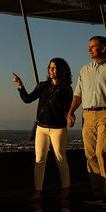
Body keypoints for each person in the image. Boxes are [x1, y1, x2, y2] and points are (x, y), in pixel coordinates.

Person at [66, 36, 106, 205]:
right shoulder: (84, 70)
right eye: (89, 46)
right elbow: (78, 94)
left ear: (103, 48)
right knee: (90, 154)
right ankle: (97, 193)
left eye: (92, 46)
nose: (89, 49)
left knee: (102, 151)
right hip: (88, 115)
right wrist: (71, 112)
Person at [13, 58, 73, 203]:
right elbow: (28, 99)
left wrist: (71, 116)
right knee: (39, 160)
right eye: (50, 68)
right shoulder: (42, 86)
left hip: (58, 129)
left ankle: (66, 188)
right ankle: (37, 191)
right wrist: (20, 86)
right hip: (41, 128)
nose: (52, 70)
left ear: (62, 70)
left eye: (55, 67)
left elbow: (68, 109)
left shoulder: (66, 89)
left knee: (60, 159)